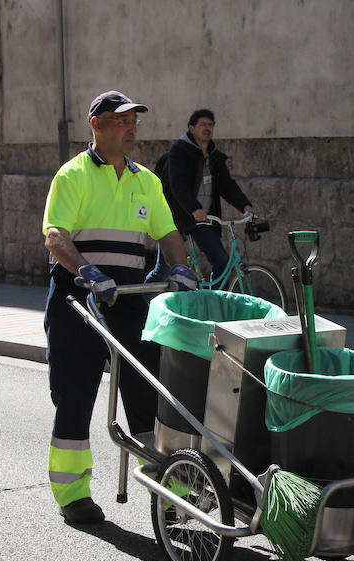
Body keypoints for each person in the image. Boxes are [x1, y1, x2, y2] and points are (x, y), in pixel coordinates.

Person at [43, 90, 197, 524]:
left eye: (135, 122)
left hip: (127, 298)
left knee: (149, 393)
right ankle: (73, 495)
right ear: (96, 125)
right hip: (78, 298)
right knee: (74, 394)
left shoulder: (145, 180)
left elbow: (167, 233)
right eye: (120, 121)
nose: (130, 129)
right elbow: (56, 236)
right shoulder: (72, 176)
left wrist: (180, 266)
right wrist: (87, 271)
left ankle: (171, 495)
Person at [146, 108, 255, 283]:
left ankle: (213, 303)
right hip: (177, 217)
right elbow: (178, 185)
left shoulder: (214, 157)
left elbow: (226, 184)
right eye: (202, 124)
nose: (207, 128)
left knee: (222, 262)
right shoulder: (179, 153)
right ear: (191, 128)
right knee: (164, 270)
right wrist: (194, 208)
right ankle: (142, 301)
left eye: (210, 124)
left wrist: (244, 205)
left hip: (203, 220)